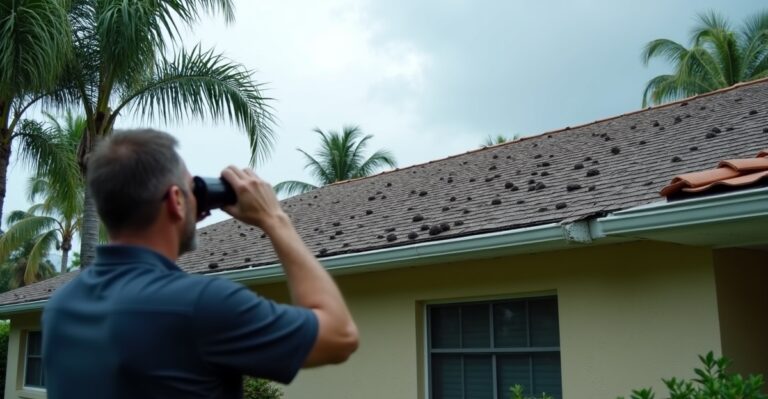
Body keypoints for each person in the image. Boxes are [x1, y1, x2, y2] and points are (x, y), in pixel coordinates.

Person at [41, 129, 359, 398]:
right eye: (191, 190)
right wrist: (275, 218)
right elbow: (339, 336)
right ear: (176, 201)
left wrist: (182, 220)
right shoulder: (203, 305)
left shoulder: (60, 306)